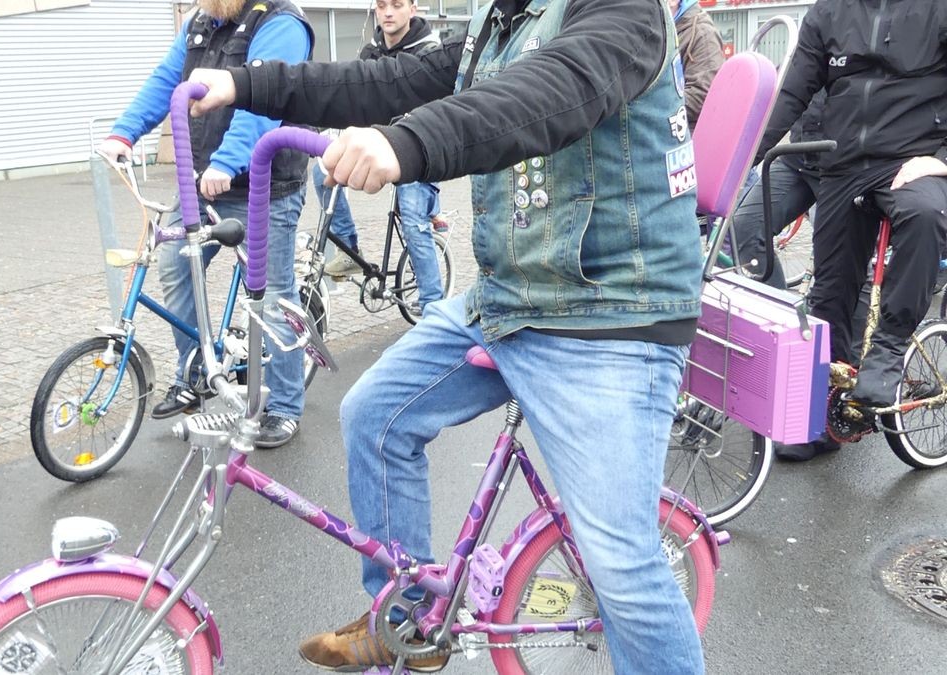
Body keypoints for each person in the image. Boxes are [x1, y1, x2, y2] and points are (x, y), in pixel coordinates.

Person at [189, 0, 707, 671]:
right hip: (513, 297)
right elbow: (380, 82)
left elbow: (545, 94)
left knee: (620, 563)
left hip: (610, 314)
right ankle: (403, 614)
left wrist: (404, 143)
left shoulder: (622, 11)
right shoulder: (506, 21)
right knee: (373, 415)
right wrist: (245, 85)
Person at [97, 0, 313, 448]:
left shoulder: (281, 24)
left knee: (271, 297)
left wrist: (227, 163)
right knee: (175, 268)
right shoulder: (201, 24)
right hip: (203, 181)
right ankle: (197, 371)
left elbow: (265, 102)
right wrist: (124, 132)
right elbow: (166, 81)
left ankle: (284, 406)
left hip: (263, 188)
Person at [753, 0, 947, 461]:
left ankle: (887, 350)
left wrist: (939, 160)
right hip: (841, 163)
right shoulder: (830, 12)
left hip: (913, 158)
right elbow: (793, 93)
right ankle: (824, 416)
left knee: (924, 216)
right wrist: (747, 154)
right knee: (830, 294)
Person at [313, 0, 446, 315]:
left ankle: (433, 310)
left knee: (413, 221)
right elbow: (355, 99)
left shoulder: (430, 52)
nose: (388, 12)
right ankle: (348, 248)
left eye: (397, 5)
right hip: (379, 143)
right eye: (382, 5)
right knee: (321, 171)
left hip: (419, 147)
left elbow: (439, 110)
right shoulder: (370, 53)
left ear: (412, 10)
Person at [733, 91, 826, 290]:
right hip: (799, 151)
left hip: (844, 162)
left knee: (838, 258)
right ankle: (780, 314)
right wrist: (748, 156)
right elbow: (790, 93)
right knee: (746, 229)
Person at [671, 0, 724, 132]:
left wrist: (652, 104)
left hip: (688, 136)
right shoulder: (666, 30)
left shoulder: (702, 33)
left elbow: (702, 96)